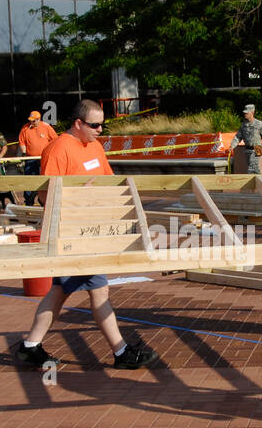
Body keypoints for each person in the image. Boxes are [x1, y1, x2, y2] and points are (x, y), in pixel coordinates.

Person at [13, 100, 159, 371]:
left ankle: (30, 345)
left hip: (92, 231)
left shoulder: (94, 146)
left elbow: (109, 181)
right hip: (71, 234)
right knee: (95, 289)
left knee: (63, 290)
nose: (100, 130)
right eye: (94, 125)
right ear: (78, 123)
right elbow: (46, 197)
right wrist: (82, 195)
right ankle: (121, 352)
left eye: (103, 125)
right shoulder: (58, 149)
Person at [18, 110, 58, 204]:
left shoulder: (46, 127)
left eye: (33, 121)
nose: (31, 122)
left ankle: (43, 200)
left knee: (43, 179)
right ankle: (29, 200)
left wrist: (50, 153)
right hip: (30, 159)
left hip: (44, 159)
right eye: (30, 120)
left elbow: (55, 140)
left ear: (38, 119)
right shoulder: (25, 128)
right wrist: (24, 154)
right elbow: (22, 142)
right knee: (29, 179)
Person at [233, 104, 262, 174]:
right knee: (254, 168)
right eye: (244, 113)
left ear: (252, 113)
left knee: (252, 168)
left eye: (247, 113)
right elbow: (238, 137)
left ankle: (257, 180)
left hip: (257, 149)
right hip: (247, 150)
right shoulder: (243, 125)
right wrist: (232, 146)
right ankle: (259, 179)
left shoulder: (259, 124)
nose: (245, 114)